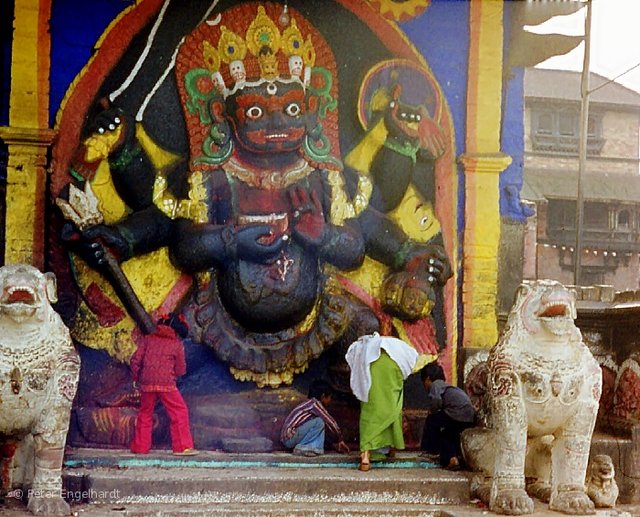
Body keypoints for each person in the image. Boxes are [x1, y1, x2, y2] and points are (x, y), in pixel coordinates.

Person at [346, 333, 418, 472]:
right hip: (392, 375)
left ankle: (366, 456)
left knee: (370, 415)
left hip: (372, 378)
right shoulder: (397, 352)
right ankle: (389, 447)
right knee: (391, 410)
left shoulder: (364, 351)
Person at [129, 314, 198, 456]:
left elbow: (135, 361)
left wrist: (136, 378)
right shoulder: (176, 344)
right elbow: (180, 369)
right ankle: (182, 447)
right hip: (166, 384)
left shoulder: (148, 340)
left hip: (146, 383)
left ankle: (140, 448)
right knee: (179, 411)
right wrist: (175, 374)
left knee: (145, 413)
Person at [420, 361, 475, 470]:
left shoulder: (436, 384)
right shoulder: (447, 387)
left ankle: (430, 450)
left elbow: (436, 400)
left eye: (424, 382)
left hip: (456, 413)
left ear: (428, 379)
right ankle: (452, 459)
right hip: (468, 416)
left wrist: (433, 411)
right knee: (448, 435)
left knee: (432, 420)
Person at [281, 379, 350, 457]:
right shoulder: (314, 404)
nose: (330, 401)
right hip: (289, 438)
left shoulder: (309, 404)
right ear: (323, 396)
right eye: (330, 397)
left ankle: (312, 448)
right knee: (319, 422)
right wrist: (340, 439)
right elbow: (331, 422)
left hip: (290, 438)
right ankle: (303, 448)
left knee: (320, 423)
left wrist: (334, 445)